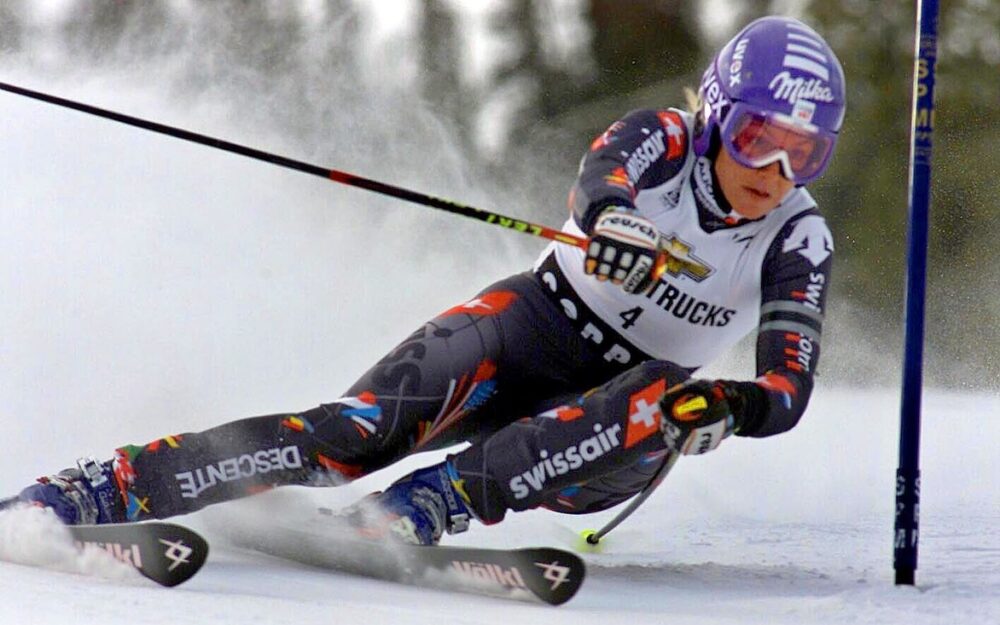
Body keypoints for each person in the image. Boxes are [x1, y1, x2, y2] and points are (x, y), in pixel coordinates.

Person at [7, 16, 844, 546]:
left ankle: (433, 503)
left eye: (802, 152)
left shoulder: (798, 235)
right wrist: (615, 223)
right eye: (756, 136)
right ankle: (103, 485)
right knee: (347, 434)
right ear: (717, 116)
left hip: (608, 434)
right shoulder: (668, 135)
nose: (773, 168)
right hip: (533, 325)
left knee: (664, 391)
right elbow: (603, 178)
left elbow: (787, 382)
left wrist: (732, 407)